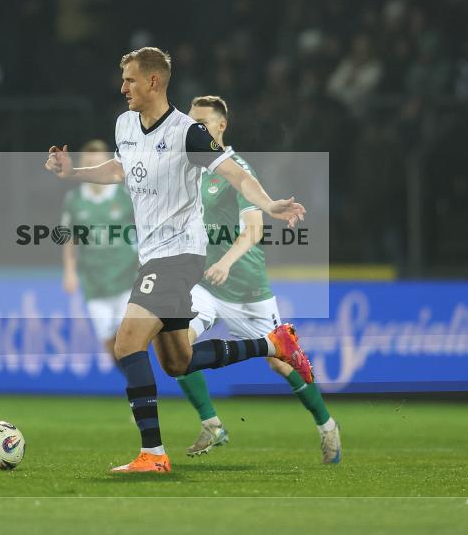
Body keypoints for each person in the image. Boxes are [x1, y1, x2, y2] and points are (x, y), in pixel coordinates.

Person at [45, 47, 310, 474]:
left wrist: (270, 204)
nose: (122, 87)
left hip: (179, 254)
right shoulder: (124, 124)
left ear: (153, 81)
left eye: (130, 79)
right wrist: (72, 173)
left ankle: (153, 454)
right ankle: (273, 343)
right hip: (153, 254)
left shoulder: (187, 133)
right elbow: (119, 170)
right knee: (177, 362)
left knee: (127, 342)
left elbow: (234, 173)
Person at [177, 95, 341, 463]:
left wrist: (227, 263)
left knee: (281, 362)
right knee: (176, 347)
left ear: (221, 126)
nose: (193, 130)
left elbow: (253, 231)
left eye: (201, 123)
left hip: (246, 288)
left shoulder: (236, 169)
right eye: (190, 124)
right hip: (204, 285)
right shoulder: (194, 169)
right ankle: (213, 425)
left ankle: (327, 424)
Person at [61, 139, 137, 364]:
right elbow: (69, 238)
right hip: (94, 282)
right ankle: (135, 384)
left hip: (127, 277)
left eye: (98, 163)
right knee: (109, 343)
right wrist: (70, 271)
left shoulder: (125, 195)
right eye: (88, 163)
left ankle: (142, 388)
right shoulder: (74, 199)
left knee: (130, 337)